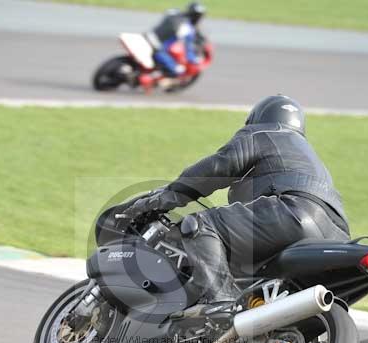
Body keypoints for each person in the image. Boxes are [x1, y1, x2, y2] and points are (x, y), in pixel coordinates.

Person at [122, 95, 351, 307]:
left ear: (256, 118)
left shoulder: (263, 133)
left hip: (292, 213)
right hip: (337, 234)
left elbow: (218, 167)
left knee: (199, 225)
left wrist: (165, 197)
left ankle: (219, 303)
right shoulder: (308, 155)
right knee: (247, 271)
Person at [147, 2, 206, 77]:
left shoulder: (174, 12)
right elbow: (188, 51)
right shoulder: (188, 28)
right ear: (197, 17)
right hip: (158, 48)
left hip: (149, 35)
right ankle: (155, 77)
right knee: (178, 70)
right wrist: (196, 60)